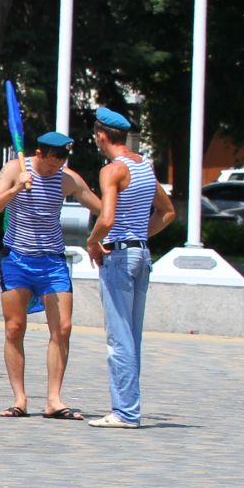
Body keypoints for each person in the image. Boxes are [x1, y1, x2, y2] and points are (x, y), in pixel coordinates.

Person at [0, 129, 102, 419]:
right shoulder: (14, 169)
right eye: (50, 164)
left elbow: (99, 207)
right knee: (14, 327)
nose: (53, 169)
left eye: (59, 164)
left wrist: (108, 229)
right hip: (17, 260)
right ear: (39, 154)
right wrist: (16, 189)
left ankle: (54, 399)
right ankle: (19, 399)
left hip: (52, 261)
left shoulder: (66, 178)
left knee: (63, 328)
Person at [85, 106, 174, 429]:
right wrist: (138, 237)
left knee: (118, 336)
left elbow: (106, 219)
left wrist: (93, 242)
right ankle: (129, 407)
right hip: (141, 254)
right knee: (131, 335)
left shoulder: (113, 171)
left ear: (102, 135)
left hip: (120, 258)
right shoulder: (145, 167)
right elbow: (167, 213)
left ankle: (125, 412)